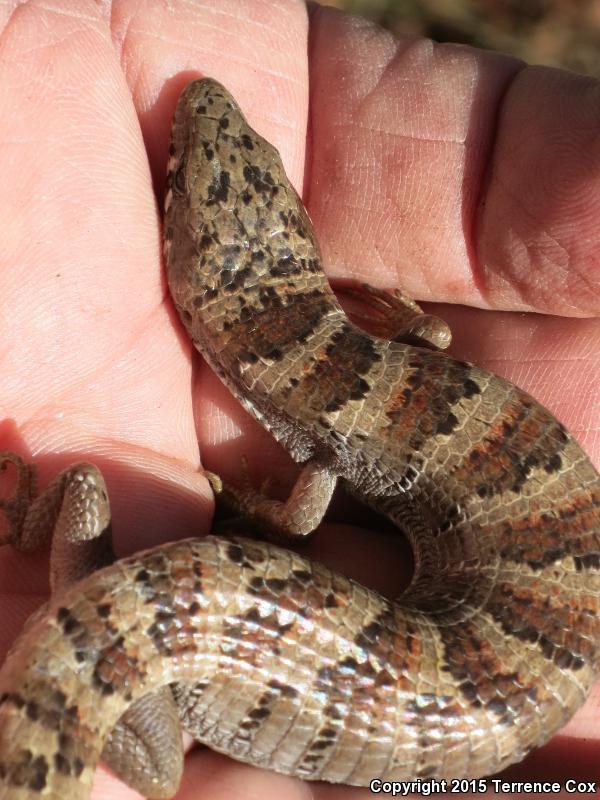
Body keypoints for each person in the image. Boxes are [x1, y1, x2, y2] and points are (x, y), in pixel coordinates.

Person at [1, 1, 598, 798]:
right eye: (178, 177)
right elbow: (418, 368)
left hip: (475, 697)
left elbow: (308, 507)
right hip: (499, 678)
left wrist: (263, 517)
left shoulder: (331, 395)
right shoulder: (364, 363)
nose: (203, 113)